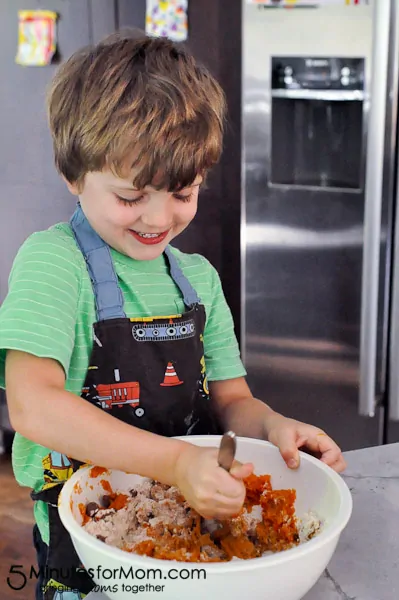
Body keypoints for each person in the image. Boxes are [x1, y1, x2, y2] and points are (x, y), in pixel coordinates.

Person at [0, 30, 346, 600]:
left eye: (183, 192)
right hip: (92, 547)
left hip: (195, 538)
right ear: (73, 174)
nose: (158, 218)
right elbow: (33, 405)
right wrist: (177, 462)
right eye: (131, 197)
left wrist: (275, 429)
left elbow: (233, 402)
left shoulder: (199, 280)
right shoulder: (55, 264)